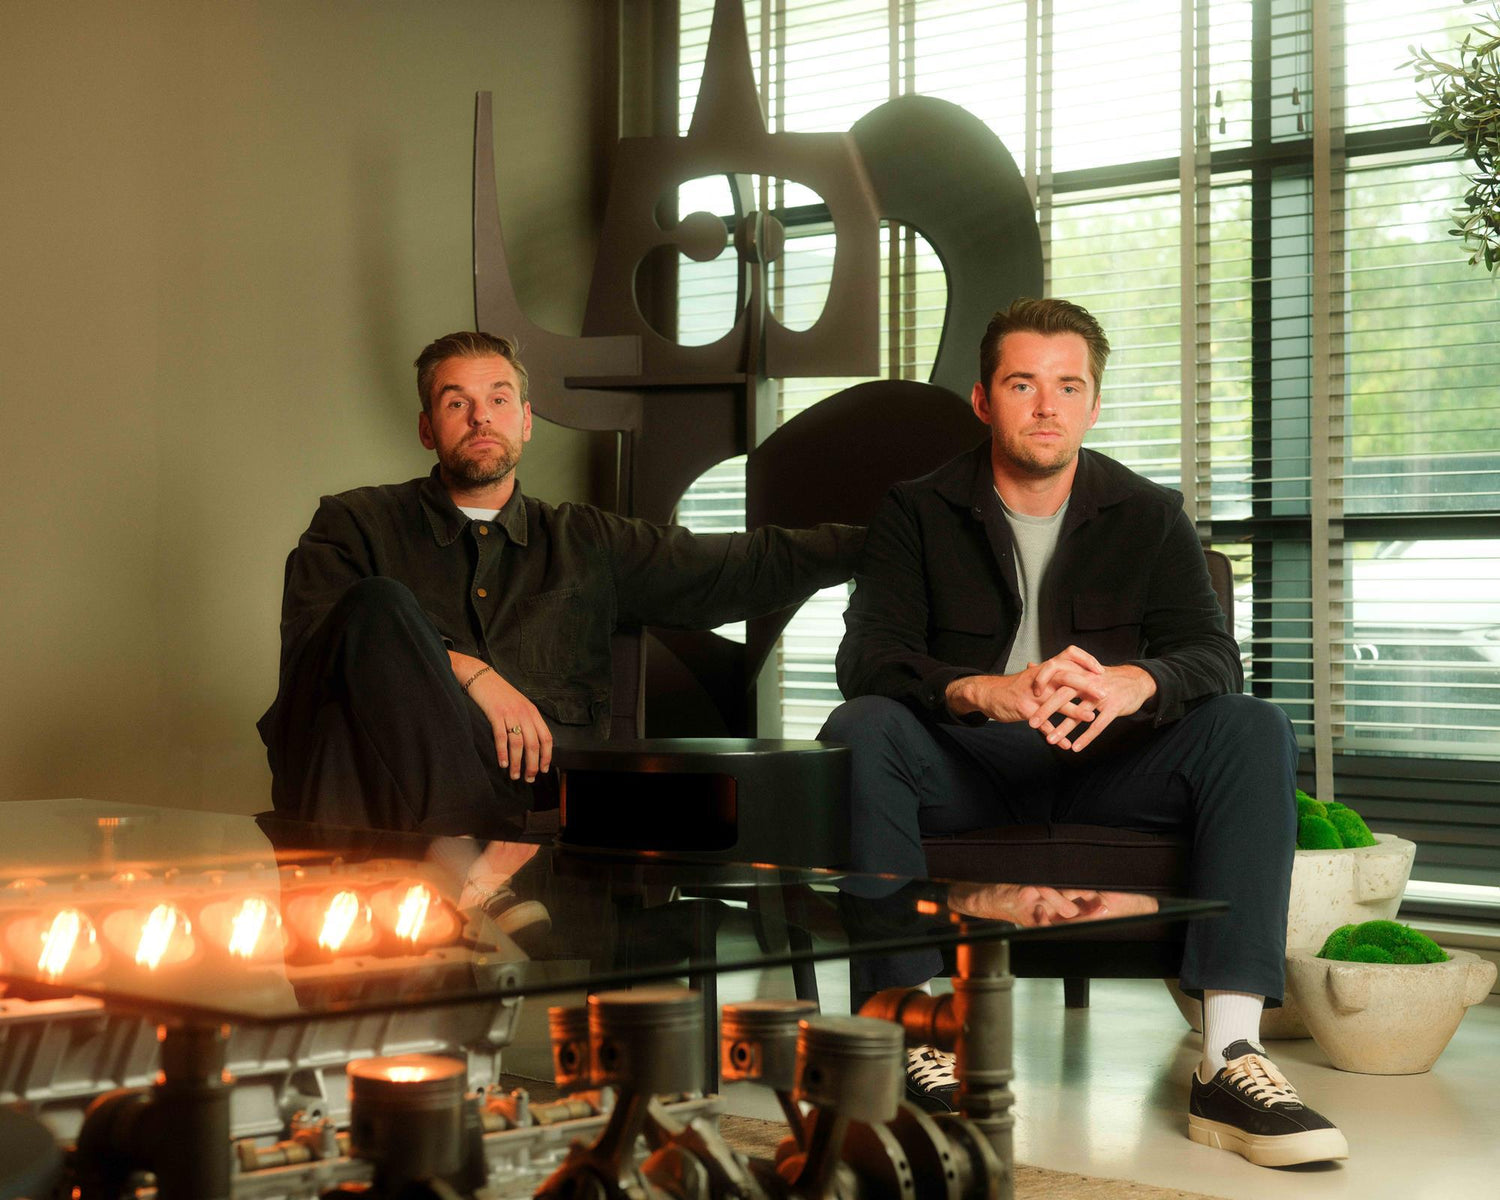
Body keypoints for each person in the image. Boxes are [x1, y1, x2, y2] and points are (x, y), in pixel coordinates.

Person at [821, 298, 1346, 1167]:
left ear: (1094, 404)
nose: (1046, 406)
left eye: (1068, 387)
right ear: (984, 400)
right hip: (966, 765)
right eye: (1022, 384)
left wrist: (1139, 682)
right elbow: (868, 658)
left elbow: (1213, 656)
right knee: (862, 725)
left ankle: (1230, 1057)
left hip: (1111, 769)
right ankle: (907, 1040)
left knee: (1253, 725)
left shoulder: (1149, 512)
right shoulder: (915, 510)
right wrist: (980, 690)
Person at [259, 331, 862, 840]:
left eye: (498, 399)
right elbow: (314, 662)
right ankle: (469, 871)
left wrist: (882, 543)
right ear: (426, 428)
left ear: (525, 421)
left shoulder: (586, 543)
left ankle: (450, 880)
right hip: (377, 800)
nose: (480, 417)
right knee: (376, 605)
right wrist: (466, 670)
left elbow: (736, 567)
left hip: (529, 803)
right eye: (456, 402)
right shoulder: (354, 524)